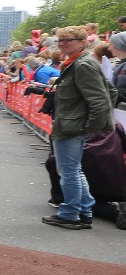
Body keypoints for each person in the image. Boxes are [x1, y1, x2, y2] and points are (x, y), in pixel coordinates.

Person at [43, 26, 116, 229]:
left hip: (72, 127)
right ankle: (83, 211)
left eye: (68, 40)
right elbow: (108, 92)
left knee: (69, 172)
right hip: (71, 125)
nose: (62, 44)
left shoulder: (83, 64)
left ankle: (71, 214)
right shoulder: (76, 63)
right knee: (73, 170)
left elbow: (101, 99)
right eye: (60, 40)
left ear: (82, 42)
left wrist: (88, 127)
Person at [108, 32, 126, 109]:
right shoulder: (122, 63)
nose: (109, 48)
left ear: (119, 45)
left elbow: (122, 92)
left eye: (111, 45)